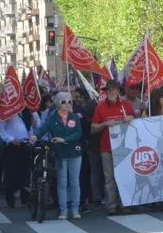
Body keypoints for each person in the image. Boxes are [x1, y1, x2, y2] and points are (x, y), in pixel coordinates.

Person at [31, 92, 84, 220]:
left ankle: (75, 209)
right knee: (62, 182)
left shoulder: (74, 117)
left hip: (74, 152)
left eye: (69, 101)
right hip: (60, 153)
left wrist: (64, 139)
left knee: (75, 182)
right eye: (64, 102)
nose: (67, 104)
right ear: (58, 103)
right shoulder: (52, 117)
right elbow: (43, 128)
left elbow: (78, 133)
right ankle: (63, 210)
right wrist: (35, 136)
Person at [91, 80, 135, 215]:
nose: (111, 92)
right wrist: (104, 123)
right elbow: (93, 128)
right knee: (109, 178)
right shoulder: (100, 107)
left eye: (113, 89)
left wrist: (131, 118)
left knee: (125, 175)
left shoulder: (126, 106)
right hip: (107, 148)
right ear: (106, 92)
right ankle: (112, 205)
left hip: (124, 148)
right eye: (109, 90)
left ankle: (125, 203)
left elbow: (136, 123)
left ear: (118, 91)